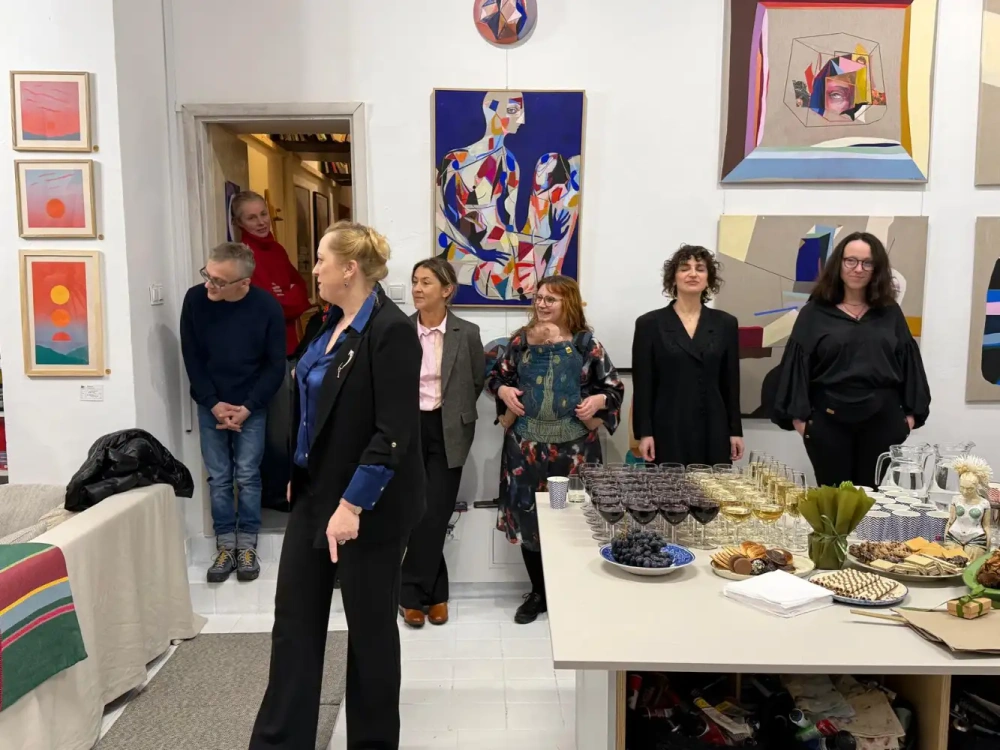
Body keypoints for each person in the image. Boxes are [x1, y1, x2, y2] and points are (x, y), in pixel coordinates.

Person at [251, 222, 424, 750]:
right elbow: (309, 407)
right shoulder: (323, 323)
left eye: (322, 260)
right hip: (314, 494)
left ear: (350, 269)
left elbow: (393, 432)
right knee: (294, 623)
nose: (315, 270)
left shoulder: (391, 330)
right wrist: (297, 474)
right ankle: (281, 740)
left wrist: (351, 504)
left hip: (368, 503)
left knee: (370, 633)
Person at [487, 276, 624, 624]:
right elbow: (496, 377)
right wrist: (503, 392)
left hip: (573, 454)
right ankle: (539, 593)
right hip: (525, 452)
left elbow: (614, 388)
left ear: (569, 303)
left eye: (551, 299)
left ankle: (570, 592)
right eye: (539, 298)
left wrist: (598, 401)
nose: (542, 304)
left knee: (569, 518)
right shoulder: (520, 341)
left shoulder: (586, 344)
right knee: (529, 519)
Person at [771, 231, 931, 487]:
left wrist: (909, 419)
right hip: (827, 423)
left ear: (877, 268)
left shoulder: (890, 312)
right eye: (851, 261)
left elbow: (909, 366)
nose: (858, 269)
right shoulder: (814, 313)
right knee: (833, 502)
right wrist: (802, 423)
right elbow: (796, 369)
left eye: (867, 263)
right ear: (839, 264)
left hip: (883, 422)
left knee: (870, 501)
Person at [180, 242, 285, 583]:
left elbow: (275, 366)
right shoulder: (195, 300)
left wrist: (248, 407)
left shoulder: (266, 307)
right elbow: (192, 357)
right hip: (211, 404)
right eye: (208, 275)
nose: (209, 284)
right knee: (219, 477)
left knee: (248, 475)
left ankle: (247, 545)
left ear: (244, 283)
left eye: (219, 281)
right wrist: (212, 403)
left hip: (250, 405)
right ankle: (226, 545)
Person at [400, 257, 485, 628]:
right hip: (407, 429)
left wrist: (455, 413)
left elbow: (476, 381)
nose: (417, 289)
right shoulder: (399, 330)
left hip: (449, 429)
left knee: (435, 512)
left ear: (447, 290)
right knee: (415, 512)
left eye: (426, 282)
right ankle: (435, 594)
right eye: (415, 281)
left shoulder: (467, 332)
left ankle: (409, 592)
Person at [631, 245, 744, 467]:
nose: (693, 274)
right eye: (685, 268)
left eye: (700, 269)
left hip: (713, 426)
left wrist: (735, 431)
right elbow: (643, 384)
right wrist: (644, 433)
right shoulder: (649, 324)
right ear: (673, 279)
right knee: (669, 487)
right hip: (667, 426)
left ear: (709, 279)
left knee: (713, 488)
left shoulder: (725, 323)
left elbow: (731, 382)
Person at [230, 190, 313, 355]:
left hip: (291, 344)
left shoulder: (277, 250)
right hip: (264, 348)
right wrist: (289, 292)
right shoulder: (244, 256)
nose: (261, 222)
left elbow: (303, 291)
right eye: (252, 218)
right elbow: (272, 308)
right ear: (239, 222)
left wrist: (285, 294)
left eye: (263, 214)